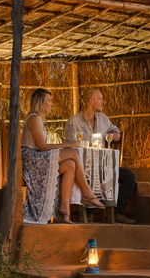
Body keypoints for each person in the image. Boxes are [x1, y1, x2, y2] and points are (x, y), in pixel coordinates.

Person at [21, 88, 105, 224]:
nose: (51, 104)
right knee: (73, 152)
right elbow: (42, 147)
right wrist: (67, 144)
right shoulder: (34, 119)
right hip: (32, 160)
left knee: (70, 165)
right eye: (49, 100)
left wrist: (66, 145)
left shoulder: (38, 120)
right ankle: (87, 193)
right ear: (41, 103)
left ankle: (64, 212)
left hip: (38, 158)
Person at [65, 88, 137, 224]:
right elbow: (70, 146)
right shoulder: (73, 121)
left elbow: (114, 129)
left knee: (130, 175)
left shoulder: (103, 119)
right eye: (100, 99)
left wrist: (116, 134)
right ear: (90, 101)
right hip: (83, 168)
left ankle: (118, 212)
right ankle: (89, 216)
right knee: (93, 173)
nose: (103, 102)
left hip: (105, 167)